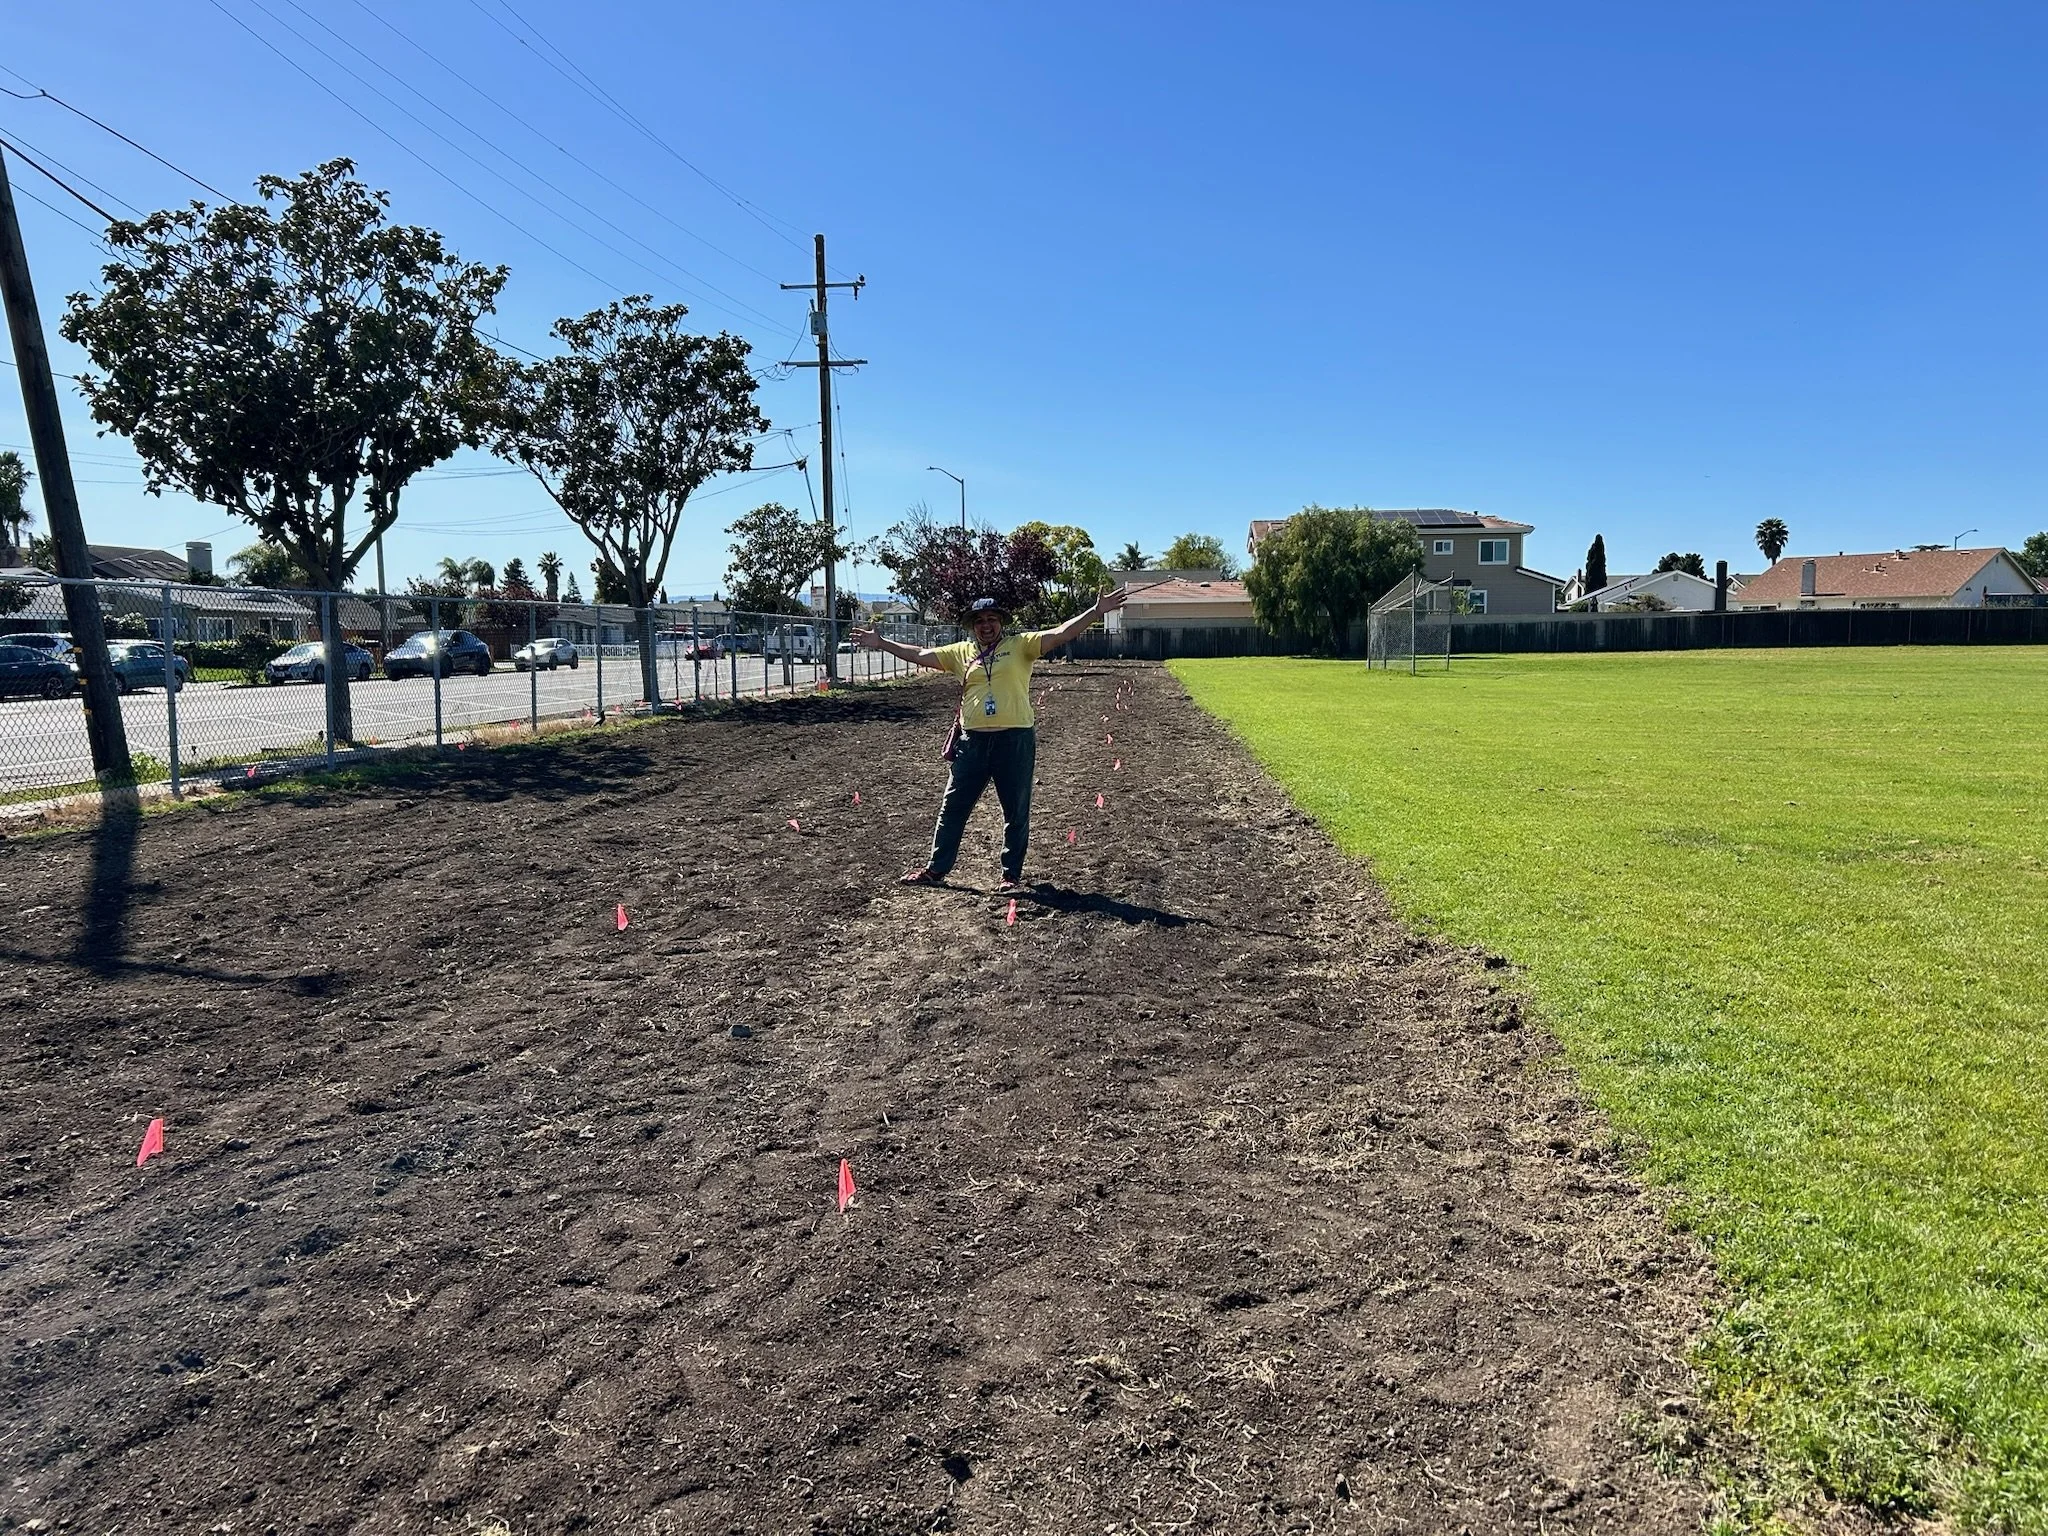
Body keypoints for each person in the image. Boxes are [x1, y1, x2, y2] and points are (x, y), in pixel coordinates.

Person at [852, 587, 1127, 892]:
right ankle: (936, 869)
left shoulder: (1021, 645)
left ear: (1001, 622)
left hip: (1015, 741)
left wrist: (1096, 612)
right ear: (972, 625)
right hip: (972, 744)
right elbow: (918, 654)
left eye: (992, 619)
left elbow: (1061, 633)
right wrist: (881, 643)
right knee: (952, 808)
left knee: (1015, 811)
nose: (986, 625)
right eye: (980, 620)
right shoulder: (960, 653)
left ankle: (1010, 875)